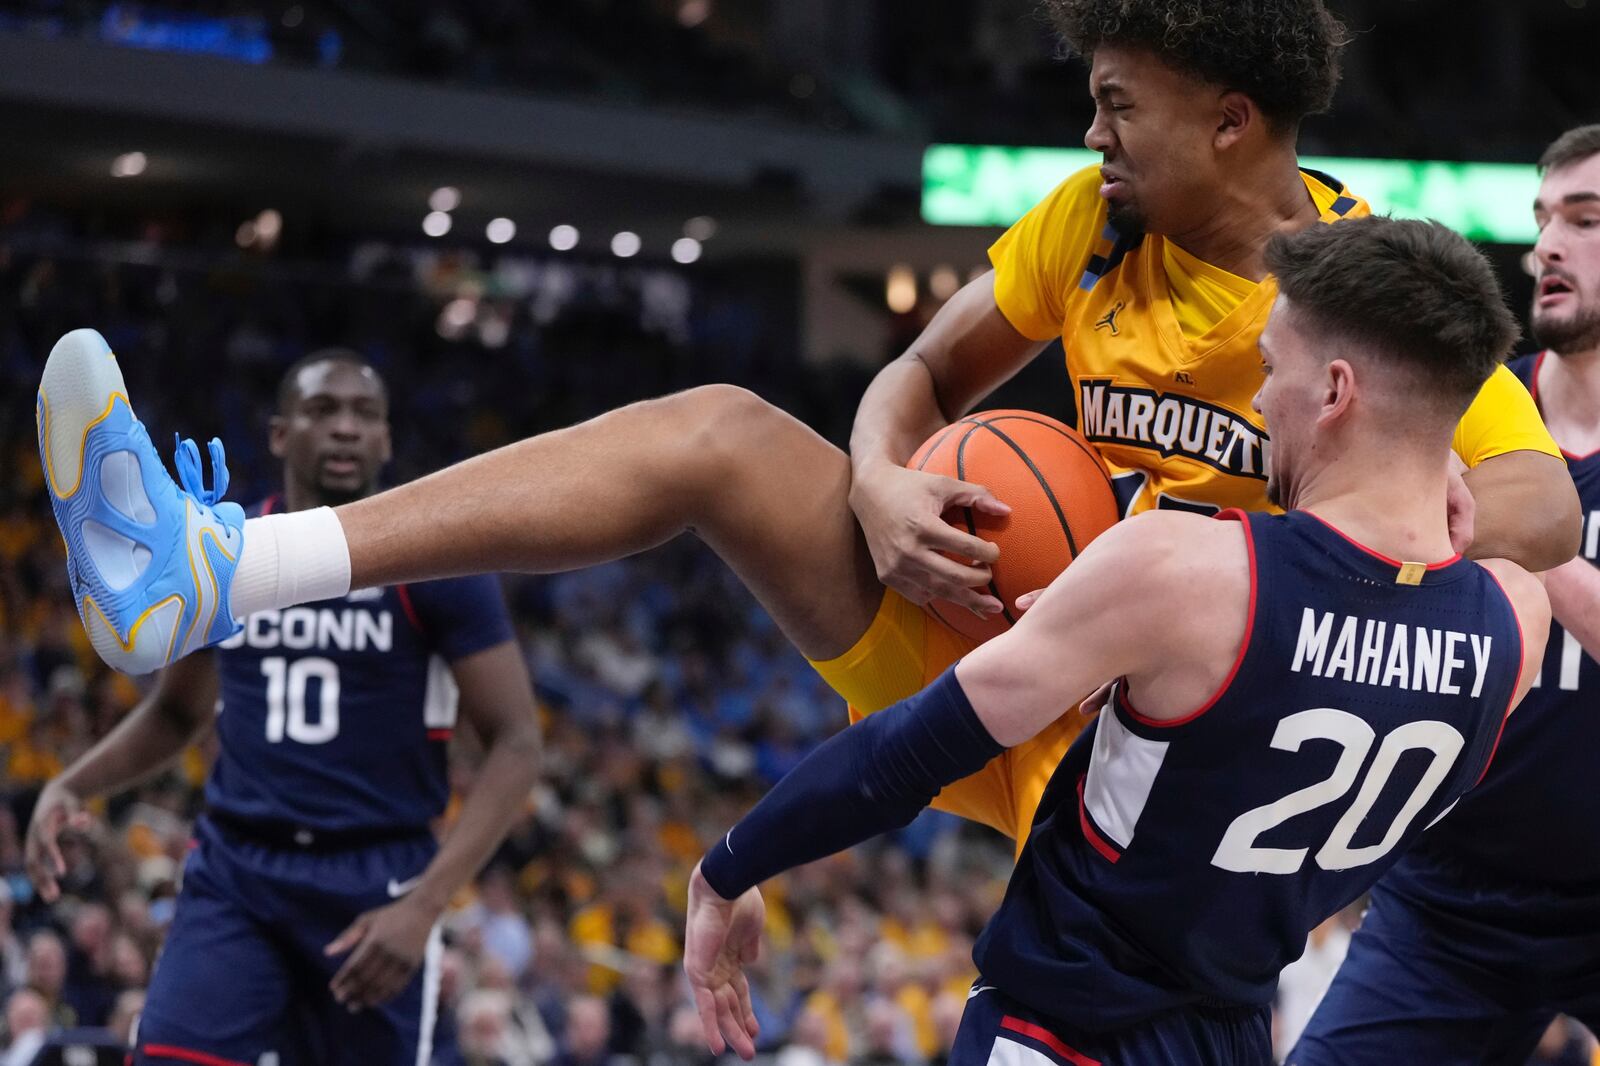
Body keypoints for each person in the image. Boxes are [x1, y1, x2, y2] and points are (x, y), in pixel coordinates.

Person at [33, 0, 1574, 851]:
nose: (1089, 131)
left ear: (1231, 120)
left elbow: (1534, 512)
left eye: (1119, 102)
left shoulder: (1355, 292)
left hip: (1176, 735)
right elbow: (913, 377)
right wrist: (888, 483)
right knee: (717, 427)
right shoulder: (1089, 229)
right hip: (1011, 654)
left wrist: (1246, 567)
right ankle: (220, 571)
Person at [678, 218, 1550, 1065]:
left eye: (1270, 369)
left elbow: (906, 756)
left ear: (1333, 393)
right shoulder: (1515, 623)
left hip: (1066, 1029)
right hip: (1234, 1032)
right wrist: (1431, 457)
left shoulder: (1190, 573)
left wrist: (726, 870)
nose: (1255, 397)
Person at [26, 351, 543, 1065]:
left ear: (387, 441)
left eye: (364, 415)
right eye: (323, 410)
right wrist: (71, 782)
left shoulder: (436, 556)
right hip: (240, 869)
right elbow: (178, 715)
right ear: (278, 434)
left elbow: (517, 741)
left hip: (377, 880)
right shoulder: (226, 550)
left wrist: (426, 906)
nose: (344, 430)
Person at [1290, 126, 1600, 1066]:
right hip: (1452, 898)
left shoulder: (1485, 474)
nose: (1545, 245)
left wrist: (1524, 532)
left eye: (1584, 220)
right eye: (1542, 219)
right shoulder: (1467, 418)